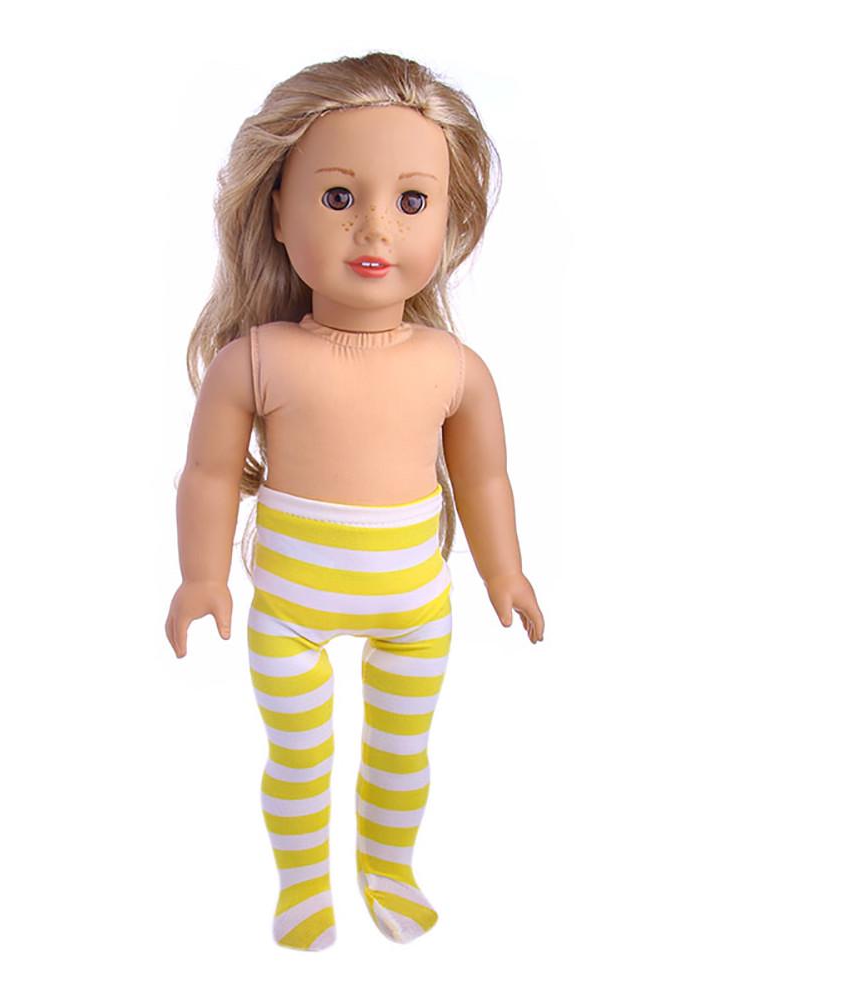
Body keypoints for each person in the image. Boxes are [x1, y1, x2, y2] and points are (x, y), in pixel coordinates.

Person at [164, 51, 545, 950]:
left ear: (449, 219)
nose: (375, 226)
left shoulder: (454, 369)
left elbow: (484, 478)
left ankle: (388, 866)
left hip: (413, 608)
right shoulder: (254, 361)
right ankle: (303, 884)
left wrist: (505, 571)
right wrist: (200, 578)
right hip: (288, 610)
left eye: (412, 201)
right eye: (338, 197)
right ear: (278, 213)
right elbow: (208, 475)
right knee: (297, 756)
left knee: (402, 754)